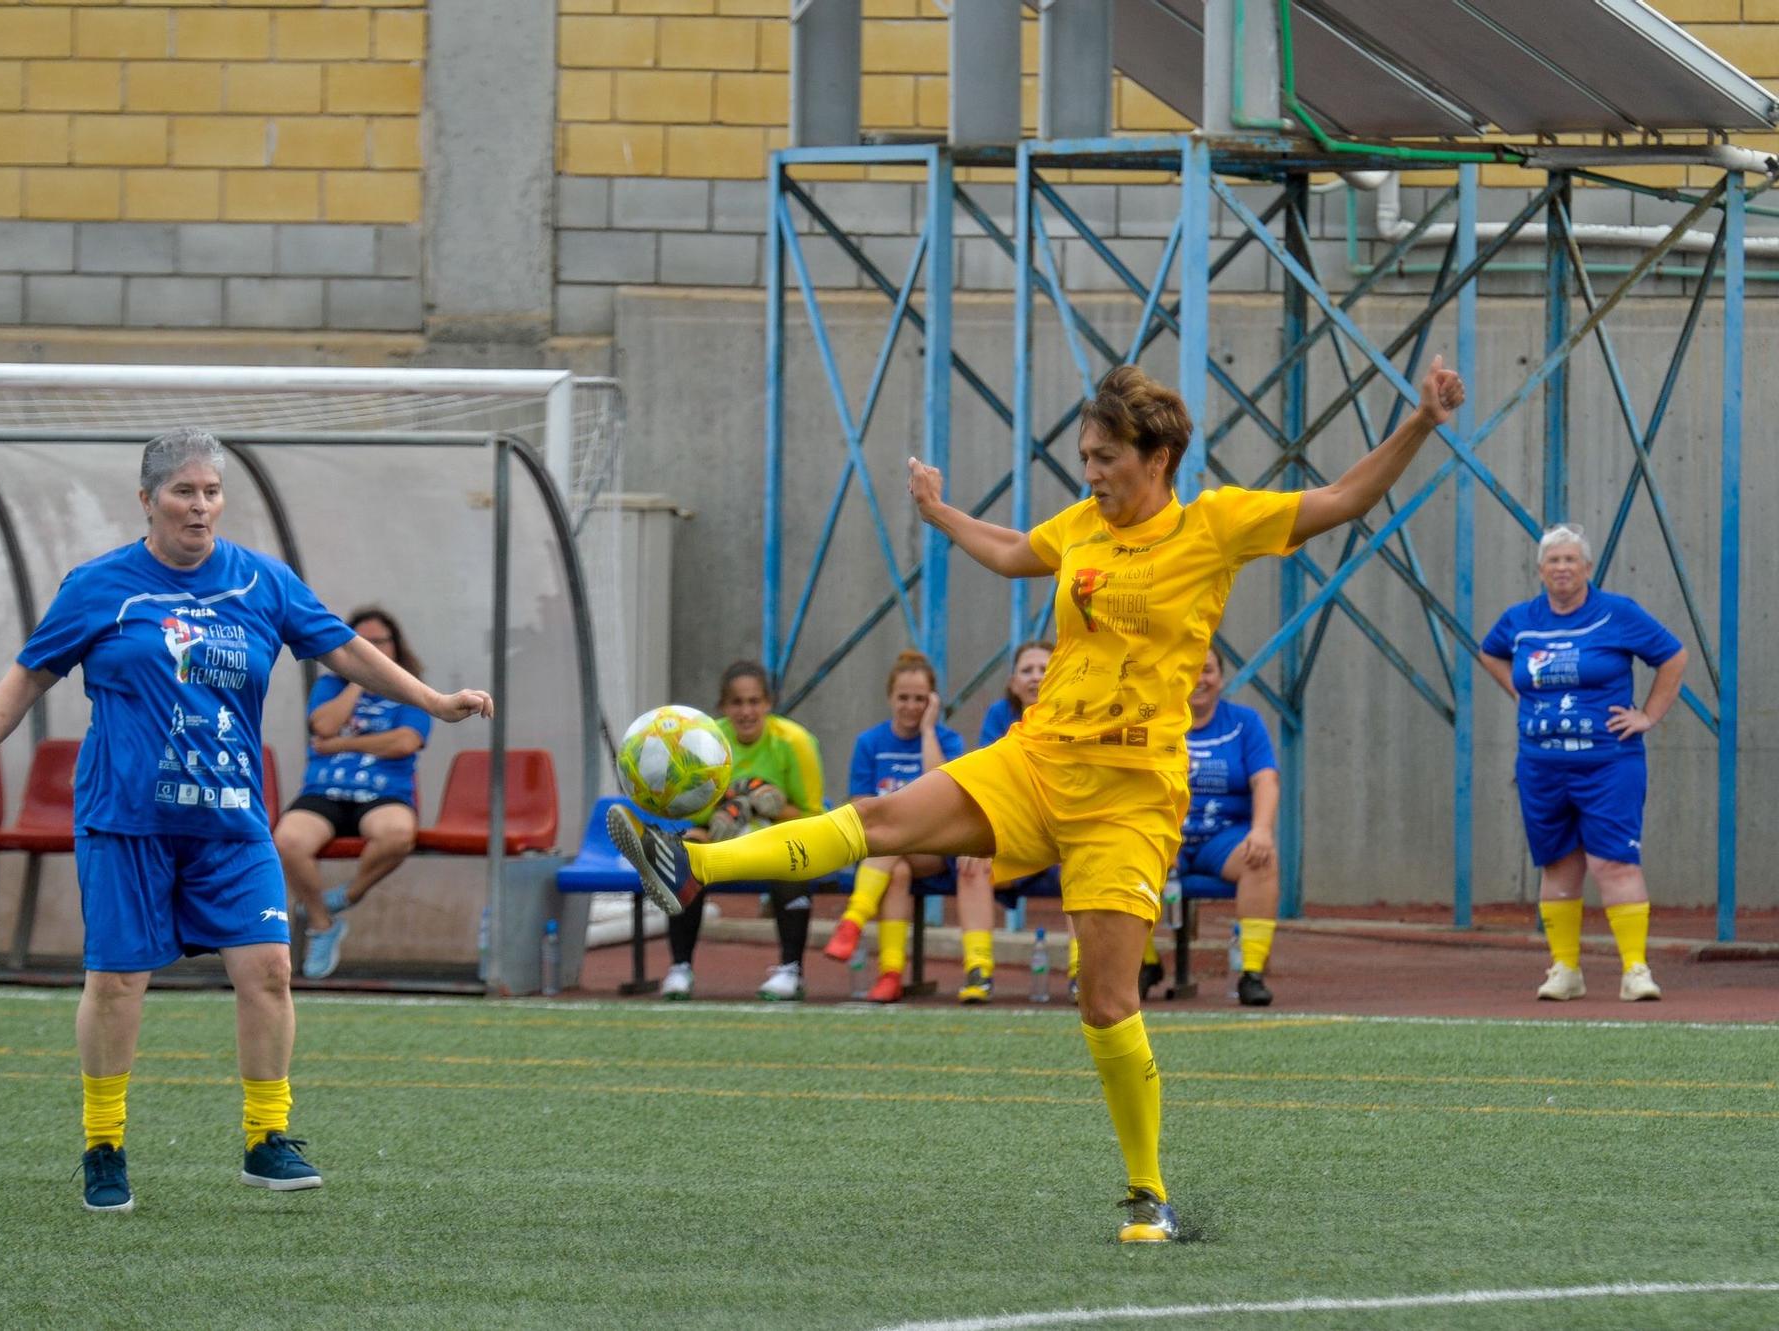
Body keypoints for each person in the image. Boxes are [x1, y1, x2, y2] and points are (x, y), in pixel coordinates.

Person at [610, 357, 1466, 1243]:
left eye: (1103, 457)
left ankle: (1146, 1192)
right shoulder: (1083, 529)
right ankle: (693, 863)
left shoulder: (1215, 525)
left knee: (1104, 1003)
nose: (1090, 474)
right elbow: (1019, 550)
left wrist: (1419, 423)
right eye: (1085, 458)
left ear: (1157, 454)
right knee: (879, 819)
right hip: (1035, 757)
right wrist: (942, 515)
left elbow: (1340, 499)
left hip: (1130, 798)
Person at [0, 427, 492, 1214]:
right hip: (126, 821)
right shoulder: (99, 586)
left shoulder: (262, 583)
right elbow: (29, 674)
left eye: (210, 492)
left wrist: (435, 700)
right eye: (182, 492)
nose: (199, 507)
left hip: (231, 819)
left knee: (268, 969)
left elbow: (343, 652)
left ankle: (266, 1138)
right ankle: (104, 1145)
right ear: (147, 500)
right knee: (118, 980)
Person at [1478, 523, 1686, 1004]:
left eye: (1572, 560)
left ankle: (1635, 970)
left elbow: (1673, 657)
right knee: (1557, 863)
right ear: (1540, 570)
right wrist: (1519, 691)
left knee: (1614, 861)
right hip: (1542, 765)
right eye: (1554, 561)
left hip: (1608, 762)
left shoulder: (1617, 613)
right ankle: (1565, 970)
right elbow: (1490, 652)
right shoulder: (1520, 620)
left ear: (1588, 568)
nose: (1563, 569)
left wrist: (1648, 715)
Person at [275, 606, 433, 981]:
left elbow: (406, 741)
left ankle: (346, 896)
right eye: (363, 644)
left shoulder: (411, 687)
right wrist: (359, 680)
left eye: (380, 642)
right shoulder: (331, 686)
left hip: (382, 793)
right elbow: (323, 724)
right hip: (325, 792)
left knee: (397, 835)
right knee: (287, 840)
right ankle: (321, 922)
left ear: (396, 646)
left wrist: (342, 744)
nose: (373, 649)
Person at [660, 661, 825, 1001]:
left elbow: (811, 817)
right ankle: (679, 968)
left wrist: (772, 807)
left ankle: (790, 970)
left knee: (794, 860)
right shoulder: (703, 742)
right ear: (723, 707)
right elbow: (694, 811)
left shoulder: (796, 741)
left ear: (768, 704)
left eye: (754, 702)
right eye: (737, 703)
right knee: (684, 853)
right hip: (721, 837)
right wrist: (732, 809)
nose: (746, 711)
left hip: (776, 837)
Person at [821, 650, 965, 1004]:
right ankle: (890, 975)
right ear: (890, 698)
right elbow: (859, 805)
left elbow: (944, 792)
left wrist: (929, 730)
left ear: (932, 701)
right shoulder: (870, 743)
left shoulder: (948, 741)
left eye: (920, 699)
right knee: (896, 871)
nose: (911, 706)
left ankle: (853, 920)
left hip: (934, 847)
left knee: (892, 842)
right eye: (904, 698)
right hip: (890, 851)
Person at [949, 640, 1052, 1004]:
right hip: (1016, 836)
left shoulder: (1077, 714)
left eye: (1044, 668)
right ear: (1012, 682)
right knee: (971, 861)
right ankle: (979, 971)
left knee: (1084, 860)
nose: (1036, 677)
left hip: (1061, 836)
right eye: (1027, 670)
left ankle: (1080, 973)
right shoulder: (999, 718)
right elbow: (992, 783)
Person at [1180, 645, 1281, 1006]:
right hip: (1166, 836)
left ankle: (1251, 974)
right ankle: (1143, 967)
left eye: (1207, 670)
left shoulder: (1245, 723)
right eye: (1190, 668)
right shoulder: (1154, 719)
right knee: (1124, 862)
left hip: (1223, 839)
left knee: (1262, 858)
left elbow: (1265, 780)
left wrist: (1261, 830)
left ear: (1221, 679)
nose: (1199, 679)